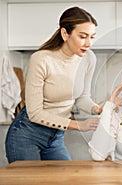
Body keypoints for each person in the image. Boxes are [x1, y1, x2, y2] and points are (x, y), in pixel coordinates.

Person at [5, 6, 102, 163]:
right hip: (27, 135)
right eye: (83, 36)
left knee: (67, 179)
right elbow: (35, 113)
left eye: (92, 37)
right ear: (65, 34)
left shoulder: (89, 58)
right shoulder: (41, 59)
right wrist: (78, 125)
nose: (88, 43)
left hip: (56, 137)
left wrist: (98, 109)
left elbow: (82, 97)